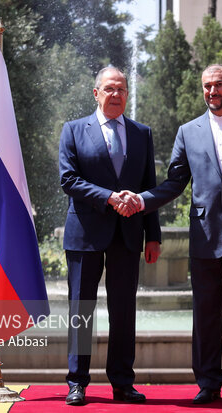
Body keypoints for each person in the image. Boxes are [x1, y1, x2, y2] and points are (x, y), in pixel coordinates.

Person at [118, 64, 222, 405]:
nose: (212, 92)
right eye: (207, 86)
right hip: (204, 236)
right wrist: (142, 199)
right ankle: (207, 383)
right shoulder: (188, 131)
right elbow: (175, 183)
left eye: (218, 85)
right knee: (204, 314)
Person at [59, 66, 161, 406]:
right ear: (96, 93)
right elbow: (68, 180)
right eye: (109, 89)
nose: (115, 94)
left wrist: (154, 235)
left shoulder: (142, 133)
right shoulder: (73, 130)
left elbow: (150, 187)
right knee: (82, 310)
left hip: (129, 235)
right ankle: (77, 383)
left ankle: (122, 382)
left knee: (123, 311)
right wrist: (108, 197)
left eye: (121, 89)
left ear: (127, 94)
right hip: (85, 234)